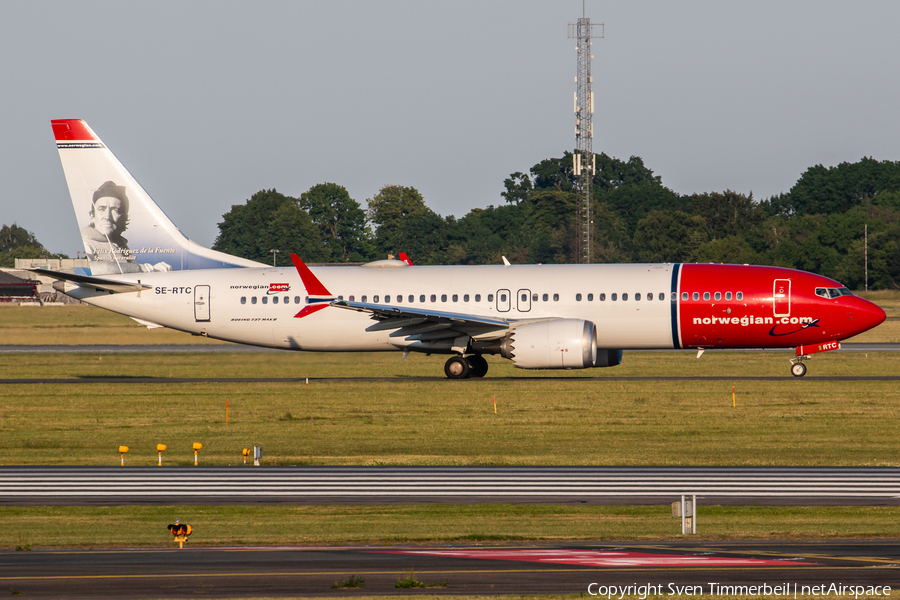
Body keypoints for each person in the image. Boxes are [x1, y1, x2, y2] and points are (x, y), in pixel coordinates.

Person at [80, 181, 170, 274]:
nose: (107, 216)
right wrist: (144, 268)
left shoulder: (120, 245)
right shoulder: (86, 242)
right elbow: (90, 269)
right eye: (102, 209)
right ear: (92, 215)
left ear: (124, 217)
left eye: (115, 210)